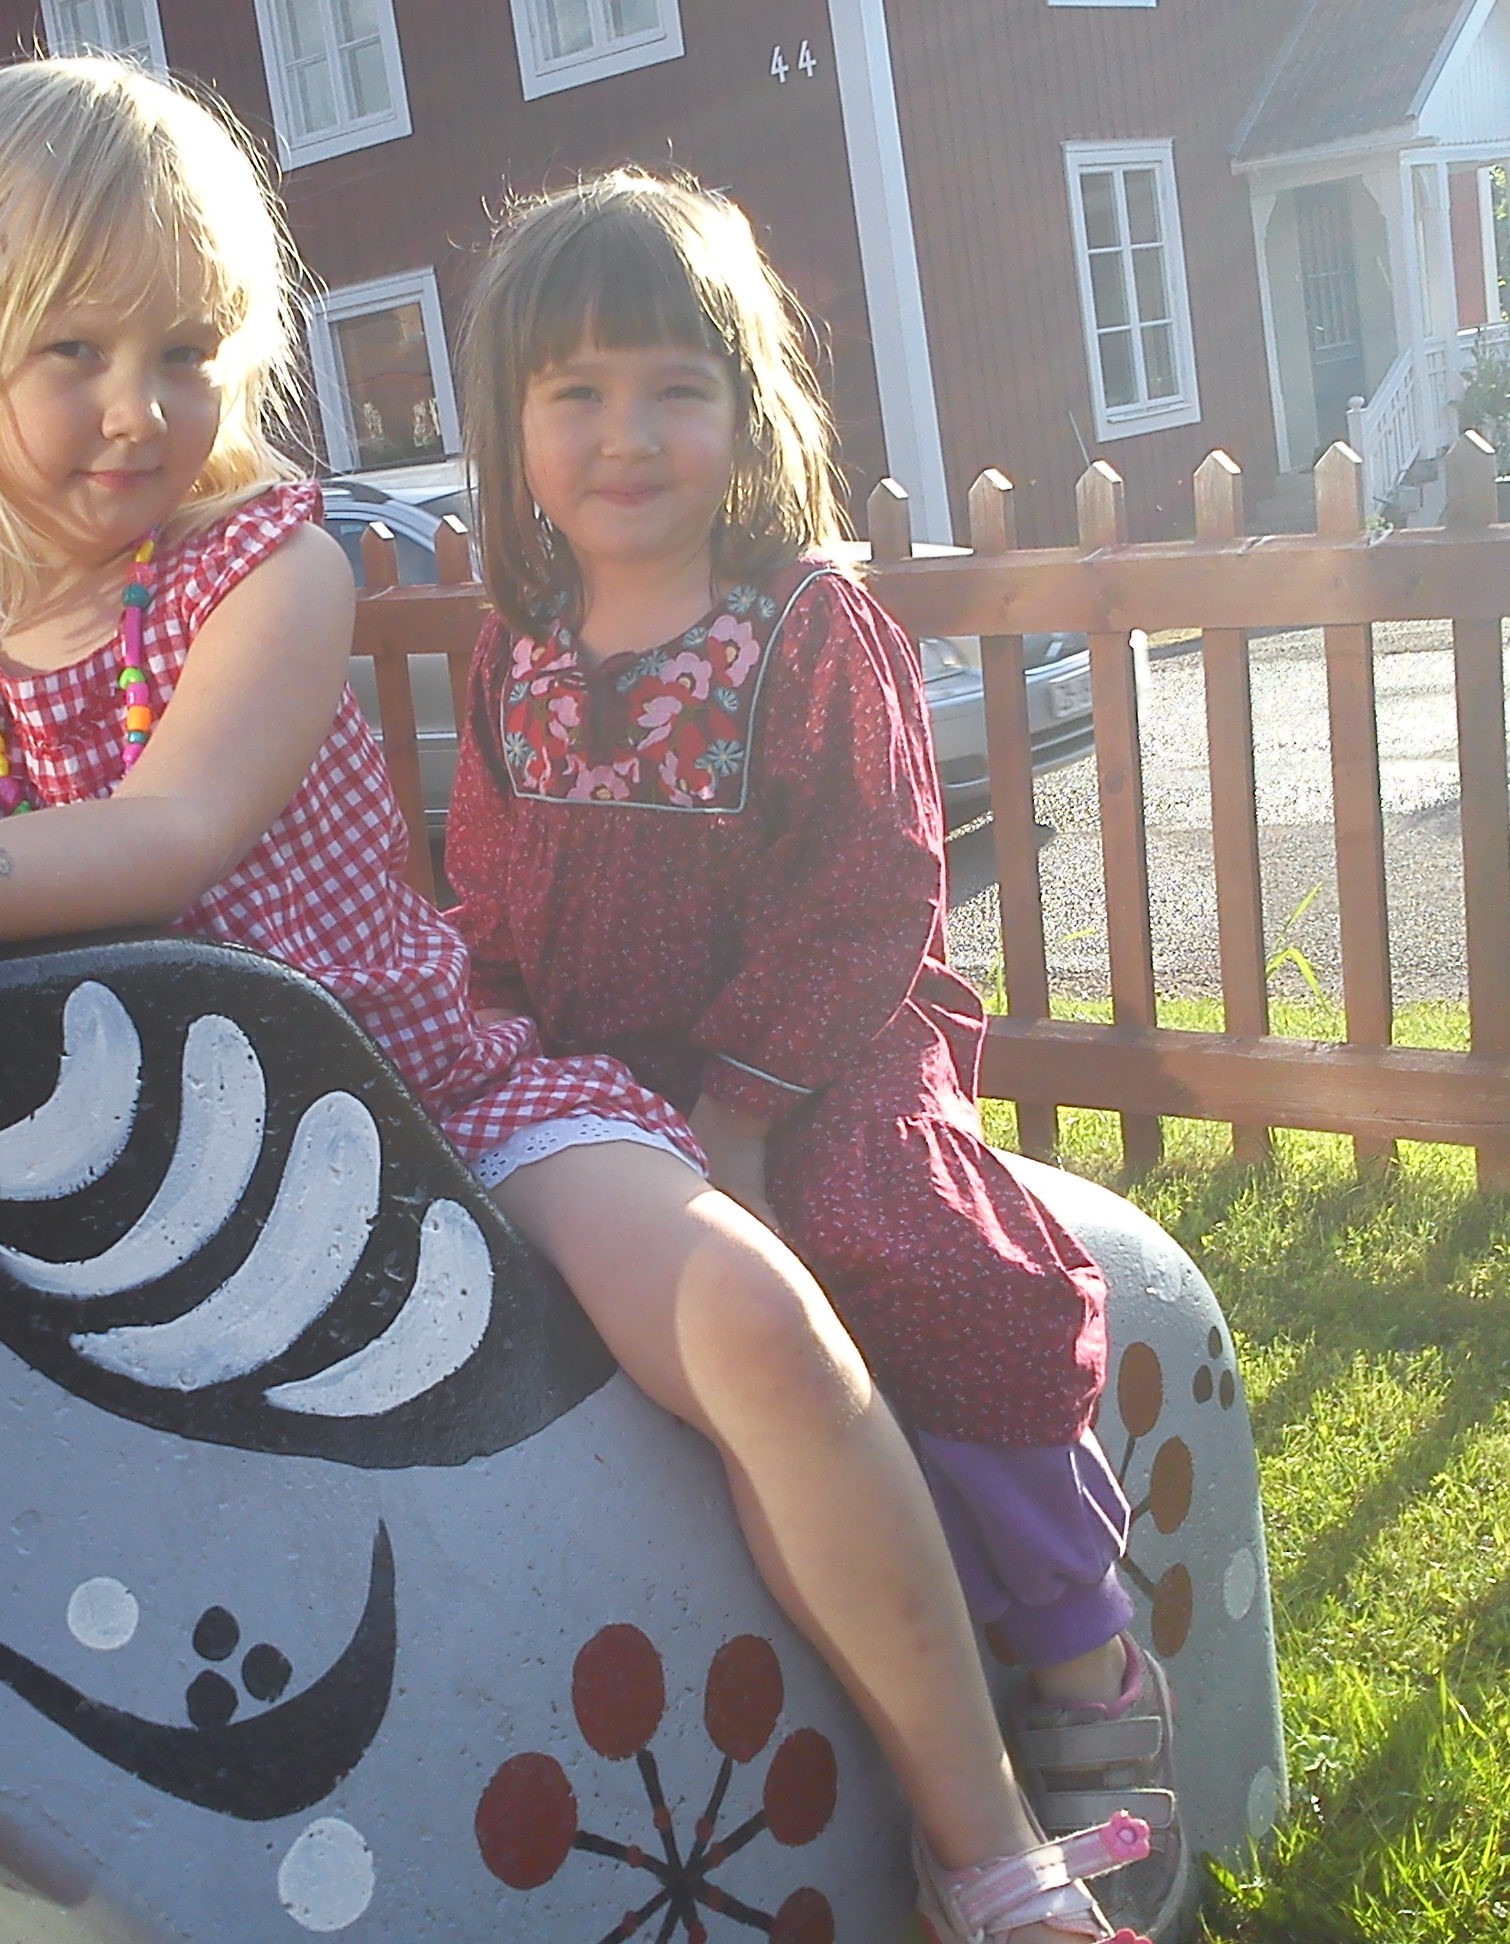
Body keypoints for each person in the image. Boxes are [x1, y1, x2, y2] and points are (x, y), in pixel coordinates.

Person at [0, 61, 1146, 1944]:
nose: (138, 409)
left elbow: (166, 835)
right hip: (110, 1184)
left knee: (760, 1324)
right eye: (72, 349)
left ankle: (985, 1841)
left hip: (412, 1096)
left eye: (184, 350)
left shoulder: (269, 564)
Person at [442, 171, 1182, 1943]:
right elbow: (487, 883)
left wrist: (745, 1107)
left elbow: (872, 885)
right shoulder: (514, 654)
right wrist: (496, 1040)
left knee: (895, 1253)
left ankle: (1081, 1649)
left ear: (746, 407)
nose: (627, 434)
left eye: (673, 387)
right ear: (512, 427)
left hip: (822, 1049)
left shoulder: (799, 626)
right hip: (597, 1072)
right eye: (576, 391)